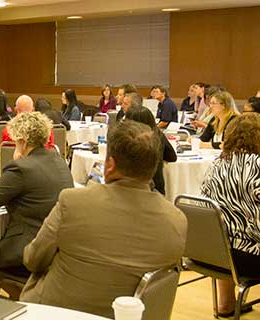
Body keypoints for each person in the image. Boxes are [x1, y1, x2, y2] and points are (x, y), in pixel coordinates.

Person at [20, 120, 187, 318]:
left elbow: (32, 260)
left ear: (110, 165)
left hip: (56, 313)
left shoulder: (73, 201)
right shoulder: (177, 220)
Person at [0, 112, 74, 299]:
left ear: (22, 142)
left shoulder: (22, 168)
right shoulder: (59, 161)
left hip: (23, 254)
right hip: (56, 251)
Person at [201, 114, 260, 317]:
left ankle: (225, 303)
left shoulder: (216, 165)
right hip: (252, 257)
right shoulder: (258, 166)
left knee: (228, 234)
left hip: (216, 254)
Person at [124, 106, 176, 195]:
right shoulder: (158, 135)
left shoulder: (130, 140)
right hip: (158, 189)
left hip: (135, 190)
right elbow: (172, 157)